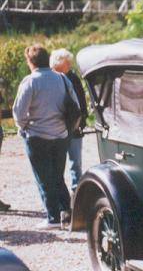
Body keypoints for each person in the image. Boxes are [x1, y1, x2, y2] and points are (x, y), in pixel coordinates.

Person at [12, 44, 80, 229]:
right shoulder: (62, 79)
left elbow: (19, 112)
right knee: (58, 176)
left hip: (37, 136)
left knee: (44, 178)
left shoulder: (30, 81)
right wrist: (68, 129)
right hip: (61, 135)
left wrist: (23, 128)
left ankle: (52, 218)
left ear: (30, 62)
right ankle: (67, 214)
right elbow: (75, 106)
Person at [50, 49, 87, 193]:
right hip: (56, 129)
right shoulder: (50, 79)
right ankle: (62, 198)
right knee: (57, 166)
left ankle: (77, 193)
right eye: (68, 63)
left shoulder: (73, 78)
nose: (70, 65)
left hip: (74, 129)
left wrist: (81, 122)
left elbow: (82, 102)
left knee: (76, 164)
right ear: (58, 64)